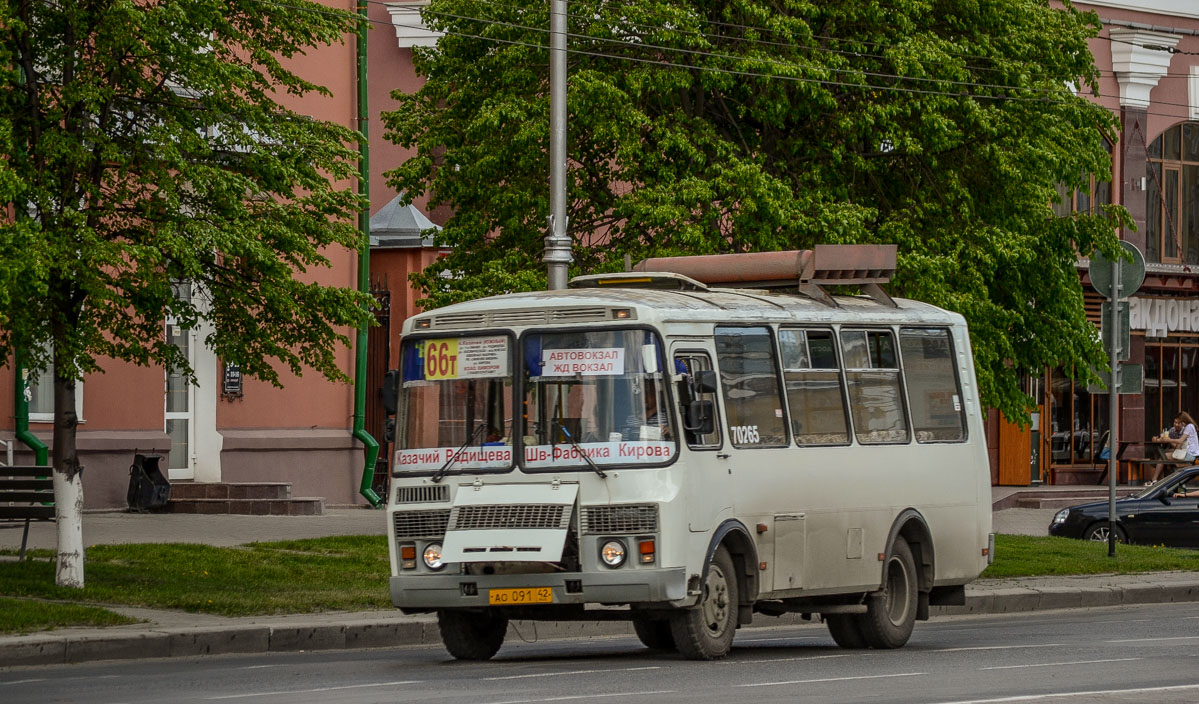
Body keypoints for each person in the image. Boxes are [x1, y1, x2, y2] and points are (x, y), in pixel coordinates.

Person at [1149, 413, 1199, 483]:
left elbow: (1180, 441)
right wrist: (1156, 439)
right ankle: (1160, 480)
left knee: (1164, 456)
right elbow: (1165, 438)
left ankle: (1154, 480)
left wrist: (1168, 440)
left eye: (1180, 422)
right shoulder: (1188, 426)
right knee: (1164, 454)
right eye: (1176, 422)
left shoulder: (1189, 427)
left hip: (1190, 455)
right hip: (1187, 453)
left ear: (1184, 420)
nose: (1177, 424)